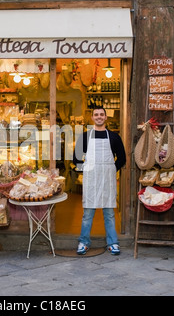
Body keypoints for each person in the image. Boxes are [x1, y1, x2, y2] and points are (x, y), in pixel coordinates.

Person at [73, 107, 126, 255]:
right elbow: (76, 158)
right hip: (91, 180)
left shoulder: (114, 137)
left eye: (101, 114)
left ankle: (113, 242)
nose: (99, 117)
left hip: (107, 180)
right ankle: (83, 242)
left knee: (109, 213)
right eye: (96, 115)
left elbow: (122, 158)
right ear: (92, 117)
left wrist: (110, 170)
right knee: (88, 214)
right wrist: (86, 170)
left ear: (105, 118)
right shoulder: (84, 137)